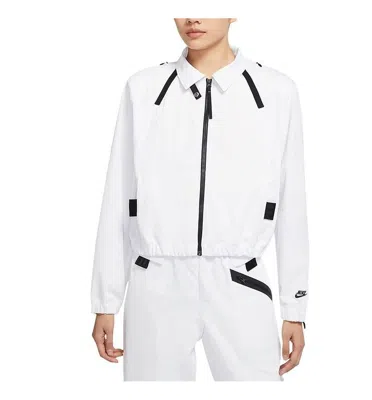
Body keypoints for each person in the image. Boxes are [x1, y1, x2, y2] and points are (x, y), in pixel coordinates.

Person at [91, 18, 309, 381]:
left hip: (240, 279)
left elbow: (292, 204)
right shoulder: (143, 88)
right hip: (156, 281)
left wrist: (294, 307)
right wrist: (105, 300)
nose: (193, 16)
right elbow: (118, 194)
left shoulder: (276, 92)